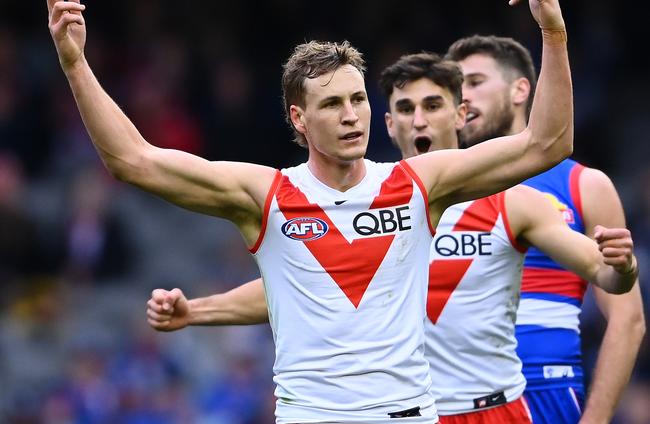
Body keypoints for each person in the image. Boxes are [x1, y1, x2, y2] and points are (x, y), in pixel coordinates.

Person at [49, 0, 573, 424]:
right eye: (331, 104)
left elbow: (546, 144)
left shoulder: (418, 184)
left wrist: (553, 33)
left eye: (358, 99)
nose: (351, 116)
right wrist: (75, 63)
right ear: (299, 119)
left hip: (409, 414)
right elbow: (134, 161)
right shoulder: (267, 196)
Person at [147, 48, 638, 424]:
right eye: (404, 108)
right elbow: (297, 289)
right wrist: (200, 311)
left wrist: (619, 267)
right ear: (389, 121)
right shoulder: (385, 204)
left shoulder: (512, 202)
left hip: (486, 409)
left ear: (461, 115)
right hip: (409, 409)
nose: (418, 119)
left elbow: (605, 275)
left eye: (432, 105)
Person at [445, 36, 646, 424]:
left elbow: (628, 318)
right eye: (455, 87)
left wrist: (597, 419)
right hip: (453, 395)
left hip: (546, 391)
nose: (463, 97)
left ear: (521, 89)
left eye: (474, 81)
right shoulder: (439, 187)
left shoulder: (584, 186)